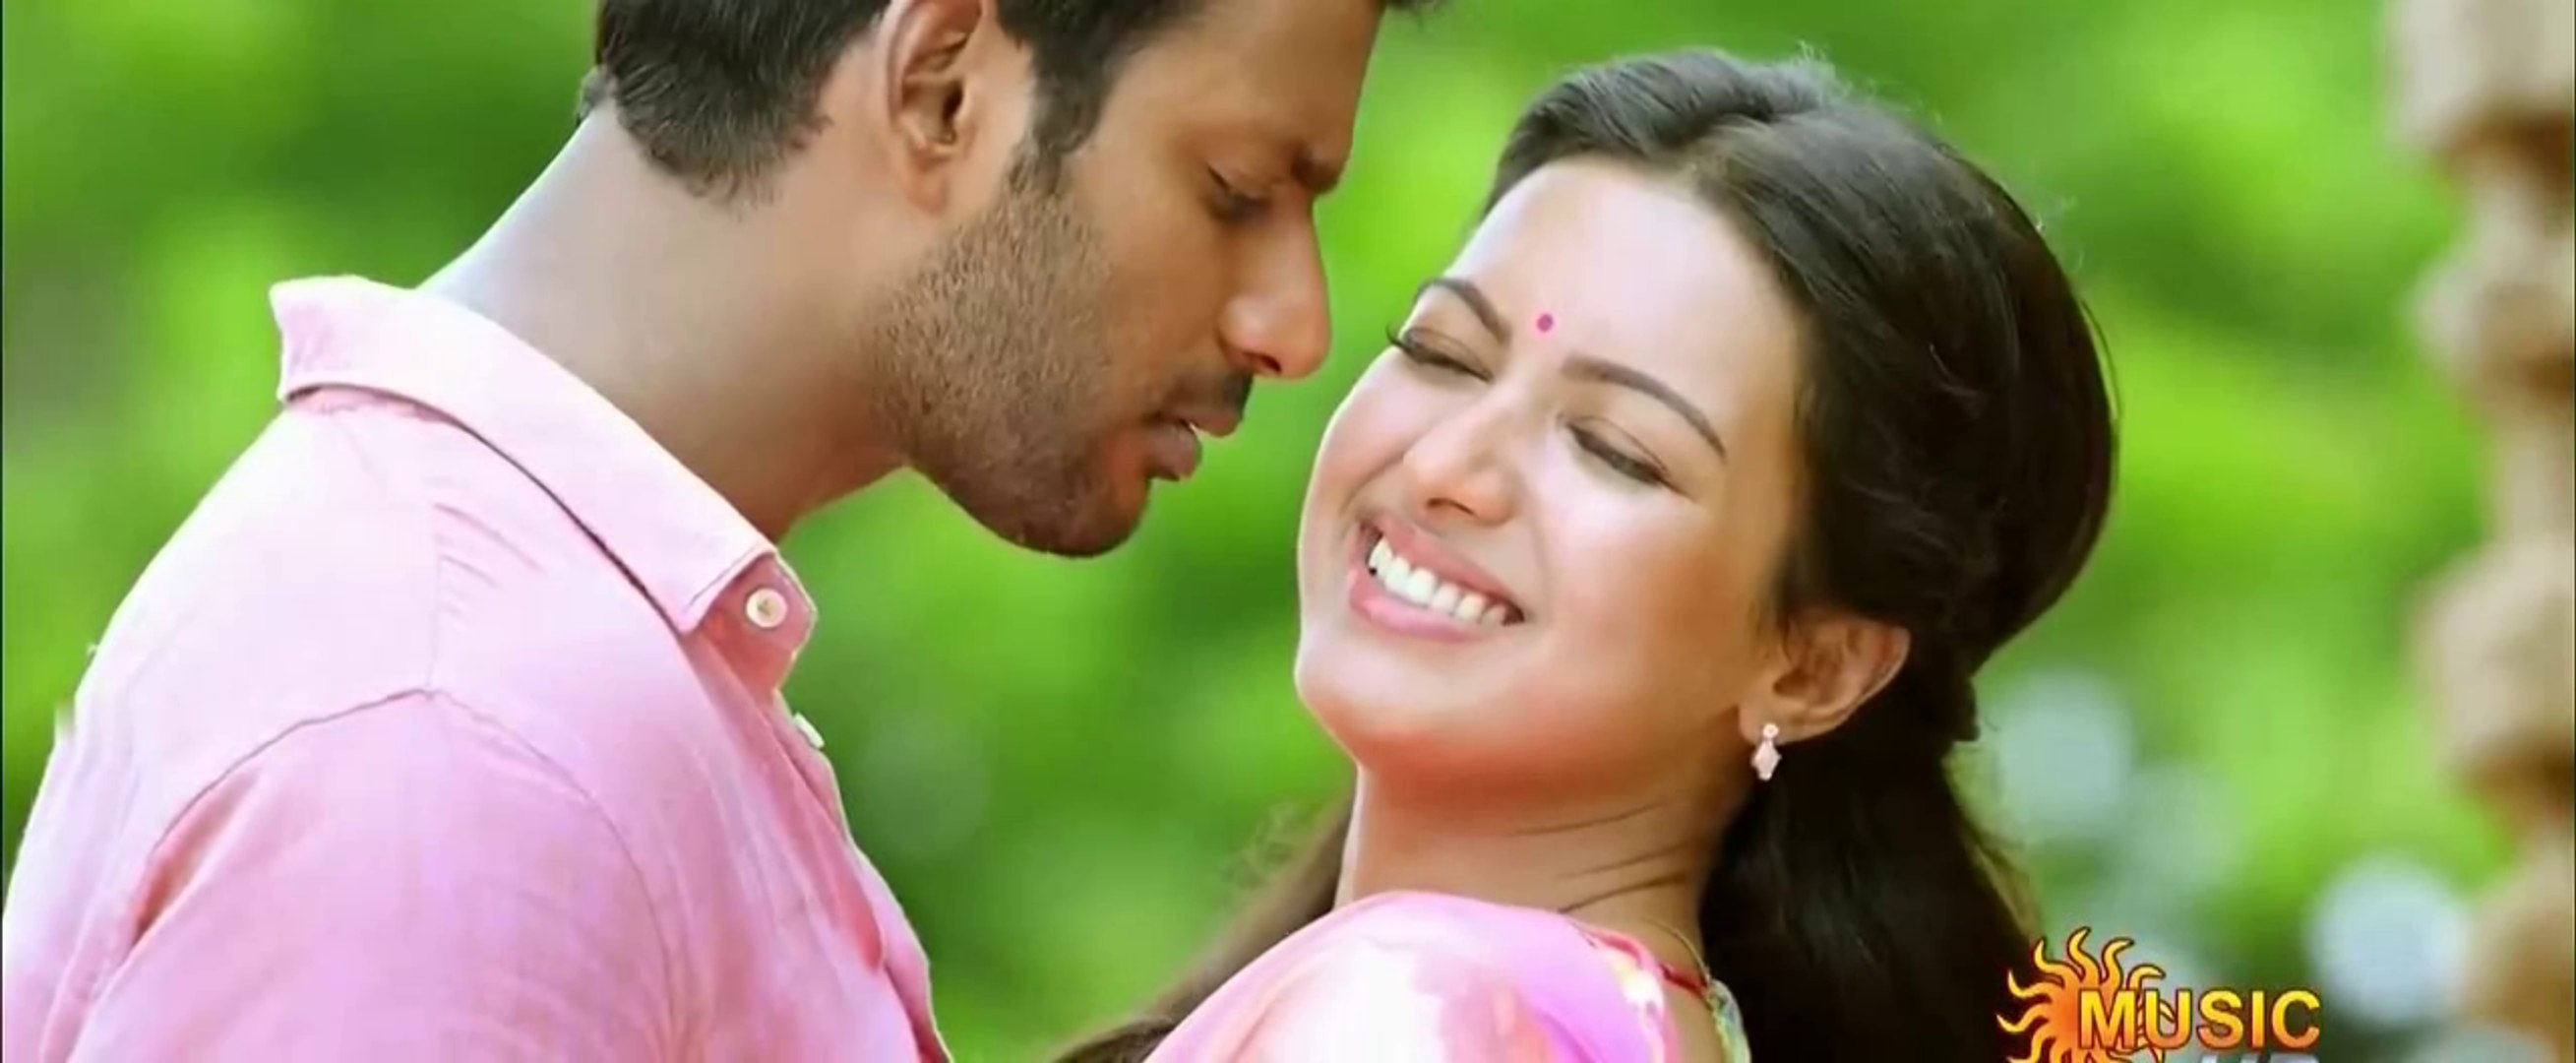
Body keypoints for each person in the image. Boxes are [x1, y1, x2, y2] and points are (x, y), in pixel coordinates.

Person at [0, 0, 1438, 1058]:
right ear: (940, 85)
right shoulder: (459, 744)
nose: (1295, 327)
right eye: (1237, 193)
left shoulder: (532, 663)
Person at [1058, 49, 2117, 1062]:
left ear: (1813, 666)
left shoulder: (1407, 1008)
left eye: (1613, 448)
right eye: (1442, 353)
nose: (1445, 465)